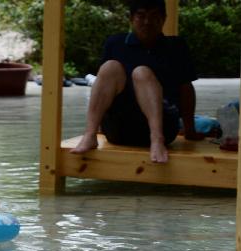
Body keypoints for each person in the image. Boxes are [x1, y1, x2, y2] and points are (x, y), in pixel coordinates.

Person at [70, 0, 201, 164]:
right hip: (120, 129)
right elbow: (102, 85)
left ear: (164, 19)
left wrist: (190, 130)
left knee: (142, 73)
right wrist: (98, 129)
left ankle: (156, 140)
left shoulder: (176, 46)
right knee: (110, 67)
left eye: (154, 16)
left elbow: (185, 87)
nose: (147, 22)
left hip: (162, 127)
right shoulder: (115, 43)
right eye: (141, 16)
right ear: (131, 19)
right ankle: (89, 135)